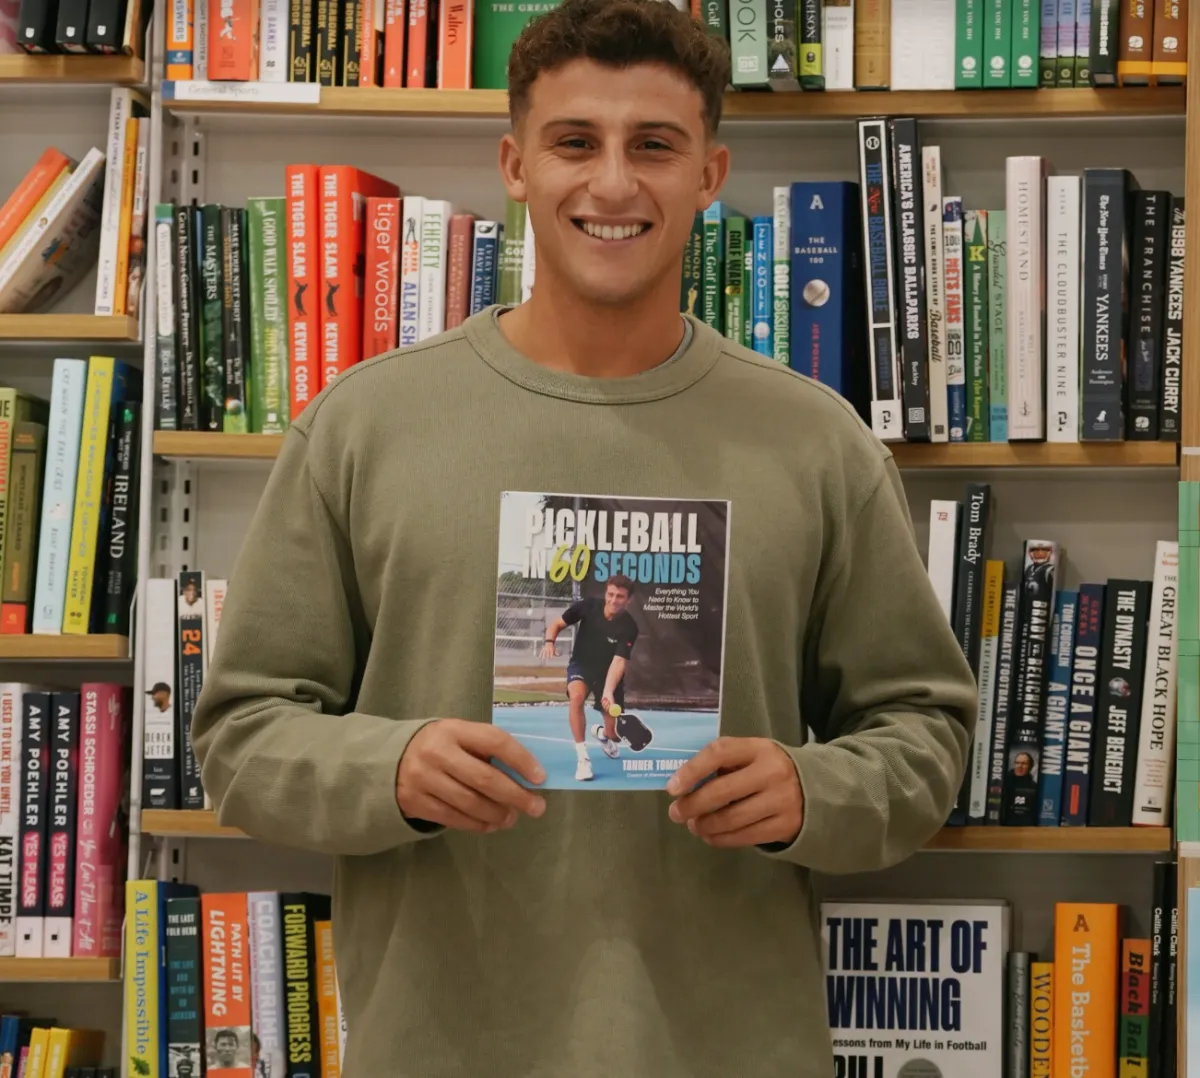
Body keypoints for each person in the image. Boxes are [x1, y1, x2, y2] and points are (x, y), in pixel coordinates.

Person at [190, 0, 977, 1073]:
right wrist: (391, 766)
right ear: (515, 165)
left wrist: (814, 792)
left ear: (709, 174)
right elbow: (240, 737)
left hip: (727, 1049)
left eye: (653, 145)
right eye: (574, 142)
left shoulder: (818, 443)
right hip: (441, 1049)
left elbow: (924, 732)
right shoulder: (363, 426)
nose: (612, 184)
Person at [541, 574, 639, 780]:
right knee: (576, 697)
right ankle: (583, 759)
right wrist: (549, 641)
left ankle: (603, 735)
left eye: (620, 596)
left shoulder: (629, 627)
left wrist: (608, 692)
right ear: (606, 593)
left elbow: (619, 661)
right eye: (610, 594)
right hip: (582, 665)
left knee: (615, 735)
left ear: (628, 600)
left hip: (607, 673)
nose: (613, 600)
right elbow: (557, 624)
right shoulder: (588, 606)